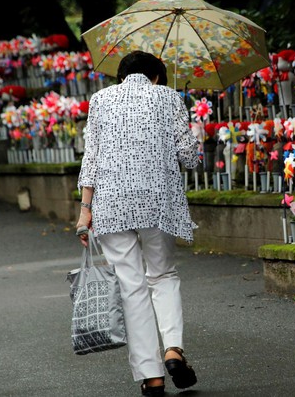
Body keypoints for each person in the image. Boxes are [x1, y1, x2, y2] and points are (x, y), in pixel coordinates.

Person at [76, 50, 200, 396]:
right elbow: (189, 157)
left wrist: (85, 210)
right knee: (162, 275)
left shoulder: (99, 100)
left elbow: (92, 158)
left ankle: (152, 376)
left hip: (110, 205)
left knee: (131, 287)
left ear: (121, 76)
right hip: (157, 203)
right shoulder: (168, 97)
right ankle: (173, 349)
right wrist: (196, 135)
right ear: (156, 76)